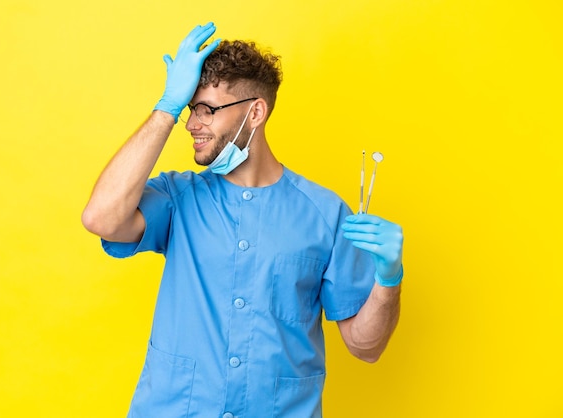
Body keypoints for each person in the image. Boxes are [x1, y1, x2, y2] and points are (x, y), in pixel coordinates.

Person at [82, 22, 404, 418]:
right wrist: (165, 107)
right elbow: (101, 217)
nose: (191, 123)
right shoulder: (178, 198)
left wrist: (388, 281)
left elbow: (365, 347)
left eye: (207, 109)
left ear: (255, 112)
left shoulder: (325, 213)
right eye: (189, 107)